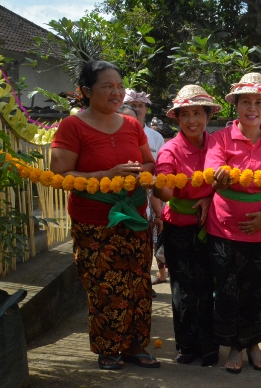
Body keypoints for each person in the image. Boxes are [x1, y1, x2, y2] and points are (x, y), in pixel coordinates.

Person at [50, 60, 158, 370]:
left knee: (138, 284)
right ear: (86, 91)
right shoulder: (72, 126)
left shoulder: (133, 125)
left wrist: (140, 174)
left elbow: (150, 164)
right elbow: (59, 173)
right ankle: (109, 349)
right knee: (104, 287)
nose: (116, 92)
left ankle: (136, 346)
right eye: (107, 86)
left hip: (134, 219)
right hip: (94, 224)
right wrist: (106, 175)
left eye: (119, 86)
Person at [205, 72, 261, 374]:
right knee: (227, 290)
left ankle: (253, 343)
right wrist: (220, 173)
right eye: (246, 102)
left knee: (256, 290)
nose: (252, 108)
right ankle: (234, 347)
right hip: (223, 229)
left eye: (258, 102)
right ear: (236, 106)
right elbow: (212, 169)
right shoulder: (220, 138)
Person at [153, 85, 221, 366]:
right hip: (179, 228)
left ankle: (209, 347)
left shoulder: (218, 145)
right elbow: (163, 186)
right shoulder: (170, 150)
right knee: (182, 290)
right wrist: (162, 188)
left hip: (213, 226)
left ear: (207, 116)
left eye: (197, 113)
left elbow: (227, 177)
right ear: (177, 120)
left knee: (208, 287)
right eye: (185, 115)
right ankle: (185, 346)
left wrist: (209, 196)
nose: (192, 120)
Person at [123, 89, 168, 285]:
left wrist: (159, 212)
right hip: (117, 200)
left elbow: (155, 169)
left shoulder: (155, 136)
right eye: (133, 106)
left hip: (149, 196)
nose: (137, 109)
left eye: (141, 106)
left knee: (150, 242)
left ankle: (152, 278)